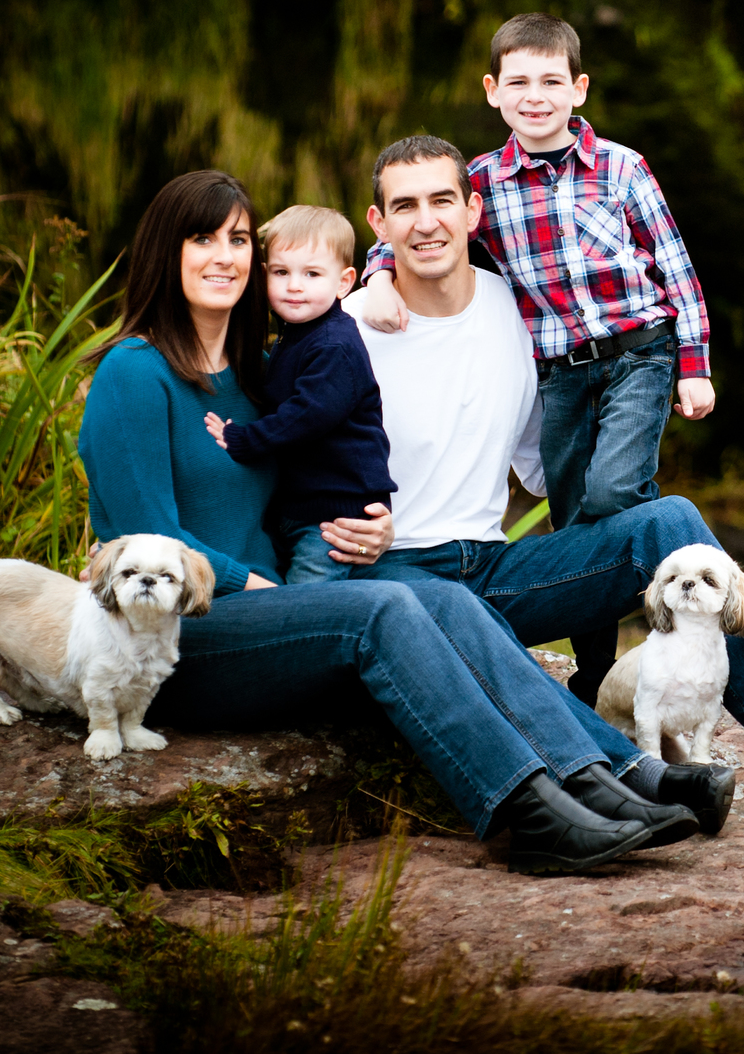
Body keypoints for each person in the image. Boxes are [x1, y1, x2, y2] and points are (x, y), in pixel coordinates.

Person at [74, 168, 700, 872]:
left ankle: (602, 777)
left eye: (239, 239)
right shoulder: (134, 372)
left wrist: (360, 527)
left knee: (445, 599)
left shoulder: (258, 372)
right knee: (383, 610)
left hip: (279, 613)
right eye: (202, 239)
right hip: (178, 638)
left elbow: (287, 500)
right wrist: (256, 589)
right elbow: (140, 541)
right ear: (166, 251)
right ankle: (529, 815)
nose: (225, 256)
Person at [348, 137, 744, 799]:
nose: (426, 221)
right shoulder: (346, 329)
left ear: (475, 211)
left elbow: (541, 465)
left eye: (442, 200)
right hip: (396, 582)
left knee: (666, 521)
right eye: (404, 206)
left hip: (495, 572)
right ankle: (641, 776)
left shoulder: (519, 314)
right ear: (377, 224)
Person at [356, 12, 711, 705]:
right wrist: (373, 277)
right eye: (518, 81)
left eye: (551, 81)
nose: (535, 95)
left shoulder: (621, 166)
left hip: (639, 352)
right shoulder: (482, 182)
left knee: (612, 497)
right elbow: (415, 227)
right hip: (562, 370)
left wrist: (693, 365)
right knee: (571, 512)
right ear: (492, 91)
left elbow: (677, 269)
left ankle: (676, 626)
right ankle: (597, 670)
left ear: (579, 88)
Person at [199, 203, 389, 586]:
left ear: (344, 282)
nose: (294, 285)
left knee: (307, 601)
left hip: (335, 517)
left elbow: (306, 416)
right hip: (303, 506)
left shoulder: (335, 345)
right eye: (282, 272)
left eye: (312, 274)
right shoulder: (297, 335)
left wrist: (244, 439)